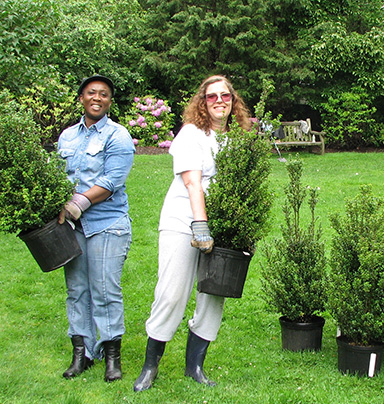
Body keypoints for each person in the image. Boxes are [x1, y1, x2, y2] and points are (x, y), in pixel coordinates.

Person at [133, 75, 252, 392]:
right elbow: (192, 182)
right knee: (171, 294)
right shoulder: (191, 134)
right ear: (202, 102)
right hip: (183, 219)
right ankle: (150, 367)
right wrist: (200, 225)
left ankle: (194, 367)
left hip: (223, 224)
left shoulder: (237, 138)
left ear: (233, 100)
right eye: (212, 97)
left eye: (225, 96)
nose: (219, 102)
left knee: (214, 295)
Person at [57, 74, 135, 382]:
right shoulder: (67, 137)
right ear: (81, 98)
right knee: (77, 289)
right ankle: (82, 353)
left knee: (105, 289)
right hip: (71, 227)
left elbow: (111, 182)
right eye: (92, 93)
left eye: (104, 94)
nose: (97, 98)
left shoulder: (119, 136)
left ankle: (111, 356)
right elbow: (58, 176)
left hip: (107, 223)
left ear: (109, 102)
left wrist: (75, 205)